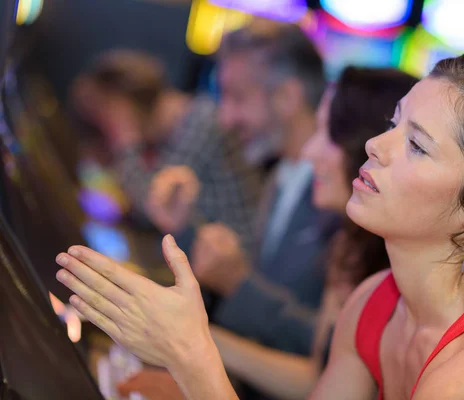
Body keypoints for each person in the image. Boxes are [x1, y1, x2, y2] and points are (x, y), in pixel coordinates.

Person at [55, 55, 464, 400]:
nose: (372, 146)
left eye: (415, 145)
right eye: (393, 124)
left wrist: (192, 354)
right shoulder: (373, 300)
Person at [117, 67, 418, 400]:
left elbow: (308, 364)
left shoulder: (390, 270)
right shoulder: (348, 242)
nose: (309, 152)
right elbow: (318, 375)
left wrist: (198, 344)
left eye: (328, 134)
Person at [188, 20, 332, 356]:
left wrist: (239, 285)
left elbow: (332, 349)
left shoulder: (343, 199)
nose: (225, 118)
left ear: (287, 97)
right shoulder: (279, 175)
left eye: (237, 97)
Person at [72, 48, 261, 252]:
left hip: (237, 261)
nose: (106, 131)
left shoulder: (200, 123)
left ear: (122, 106)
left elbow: (152, 208)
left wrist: (125, 139)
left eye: (106, 119)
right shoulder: (174, 129)